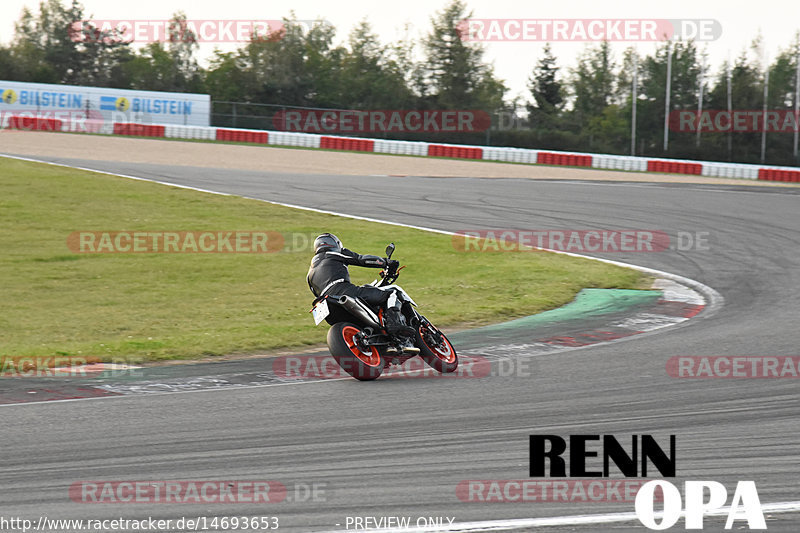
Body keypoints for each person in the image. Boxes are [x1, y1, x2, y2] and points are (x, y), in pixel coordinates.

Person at [307, 233, 415, 336]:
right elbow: (361, 259)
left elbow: (315, 292)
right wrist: (386, 262)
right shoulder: (333, 253)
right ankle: (395, 325)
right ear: (334, 243)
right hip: (344, 291)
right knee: (392, 293)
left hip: (326, 304)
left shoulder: (310, 274)